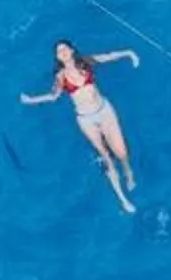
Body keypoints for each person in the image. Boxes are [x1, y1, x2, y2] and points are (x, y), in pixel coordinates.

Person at [21, 40, 142, 212]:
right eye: (58, 51)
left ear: (71, 50)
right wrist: (30, 100)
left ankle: (128, 173)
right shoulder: (61, 76)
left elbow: (107, 57)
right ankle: (122, 199)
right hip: (86, 120)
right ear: (57, 57)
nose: (62, 51)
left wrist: (129, 53)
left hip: (104, 111)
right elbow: (53, 96)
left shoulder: (85, 62)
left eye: (64, 48)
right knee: (106, 156)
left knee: (121, 152)